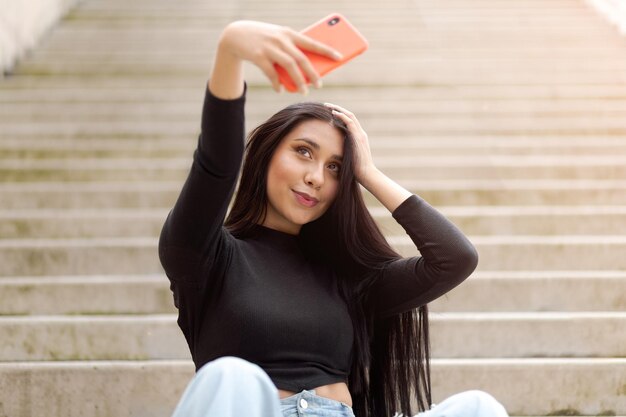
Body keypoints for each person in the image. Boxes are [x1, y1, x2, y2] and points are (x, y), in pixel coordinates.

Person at [158, 20, 509, 417]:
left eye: (336, 168)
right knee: (230, 376)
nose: (316, 177)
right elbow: (216, 165)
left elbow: (455, 258)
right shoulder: (205, 255)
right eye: (304, 152)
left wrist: (369, 172)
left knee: (479, 407)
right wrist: (231, 48)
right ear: (266, 154)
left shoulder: (347, 277)